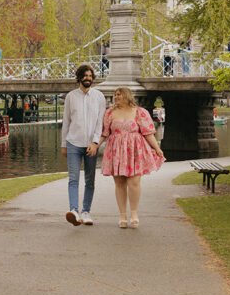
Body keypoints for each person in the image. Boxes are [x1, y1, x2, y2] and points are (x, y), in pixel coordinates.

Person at [90, 87, 164, 228]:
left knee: (134, 182)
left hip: (134, 150)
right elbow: (104, 133)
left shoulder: (140, 112)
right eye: (115, 94)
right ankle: (122, 215)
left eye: (119, 94)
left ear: (127, 96)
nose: (116, 97)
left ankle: (134, 213)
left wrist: (157, 148)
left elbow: (148, 133)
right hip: (116, 150)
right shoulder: (109, 113)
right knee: (120, 183)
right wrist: (95, 145)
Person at [60, 63, 107, 226]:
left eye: (90, 76)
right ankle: (74, 210)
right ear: (79, 78)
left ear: (92, 78)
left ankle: (86, 212)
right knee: (73, 179)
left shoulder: (99, 97)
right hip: (73, 142)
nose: (87, 78)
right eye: (84, 75)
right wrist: (63, 144)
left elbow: (100, 123)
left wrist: (95, 142)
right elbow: (66, 122)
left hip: (91, 145)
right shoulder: (71, 97)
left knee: (90, 180)